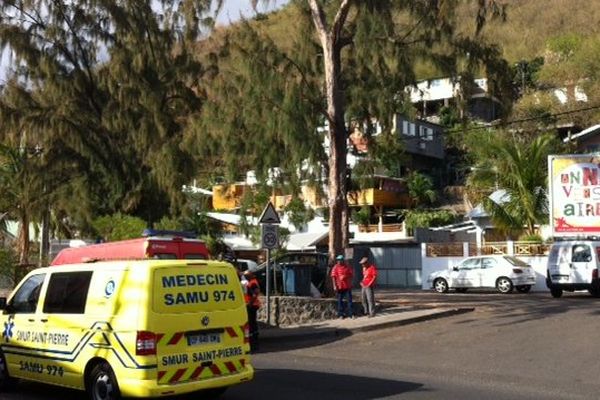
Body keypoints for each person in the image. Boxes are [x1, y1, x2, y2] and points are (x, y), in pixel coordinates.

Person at [242, 270, 261, 353]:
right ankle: (254, 340)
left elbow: (255, 294)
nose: (245, 277)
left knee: (252, 323)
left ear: (250, 275)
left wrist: (249, 304)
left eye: (246, 276)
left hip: (252, 305)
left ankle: (254, 342)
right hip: (253, 305)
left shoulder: (252, 283)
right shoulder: (252, 282)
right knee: (252, 323)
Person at [330, 255, 354, 319]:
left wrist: (346, 277)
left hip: (347, 286)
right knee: (340, 301)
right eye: (338, 260)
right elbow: (333, 277)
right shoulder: (335, 267)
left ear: (343, 260)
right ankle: (341, 314)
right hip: (339, 286)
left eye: (340, 260)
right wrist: (334, 286)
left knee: (349, 300)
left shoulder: (347, 267)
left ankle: (351, 314)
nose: (339, 261)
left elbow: (351, 274)